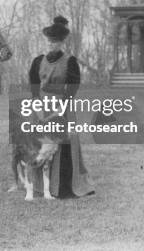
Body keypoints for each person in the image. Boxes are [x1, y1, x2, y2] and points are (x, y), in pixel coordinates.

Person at [26, 15, 94, 198]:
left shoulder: (70, 62)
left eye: (55, 42)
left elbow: (72, 87)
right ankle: (38, 185)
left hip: (61, 106)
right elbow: (33, 86)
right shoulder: (38, 61)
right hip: (41, 107)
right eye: (49, 42)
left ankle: (62, 186)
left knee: (62, 143)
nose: (51, 45)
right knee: (39, 143)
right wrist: (36, 104)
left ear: (62, 43)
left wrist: (60, 109)